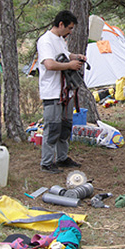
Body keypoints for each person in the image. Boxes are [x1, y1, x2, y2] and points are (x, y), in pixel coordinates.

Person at [37, 10, 86, 174]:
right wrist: (70, 65)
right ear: (60, 24)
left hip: (65, 92)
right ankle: (47, 163)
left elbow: (64, 55)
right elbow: (49, 64)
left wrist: (76, 56)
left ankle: (62, 158)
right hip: (52, 93)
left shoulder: (60, 39)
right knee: (53, 128)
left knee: (65, 127)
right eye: (69, 28)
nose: (70, 32)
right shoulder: (45, 41)